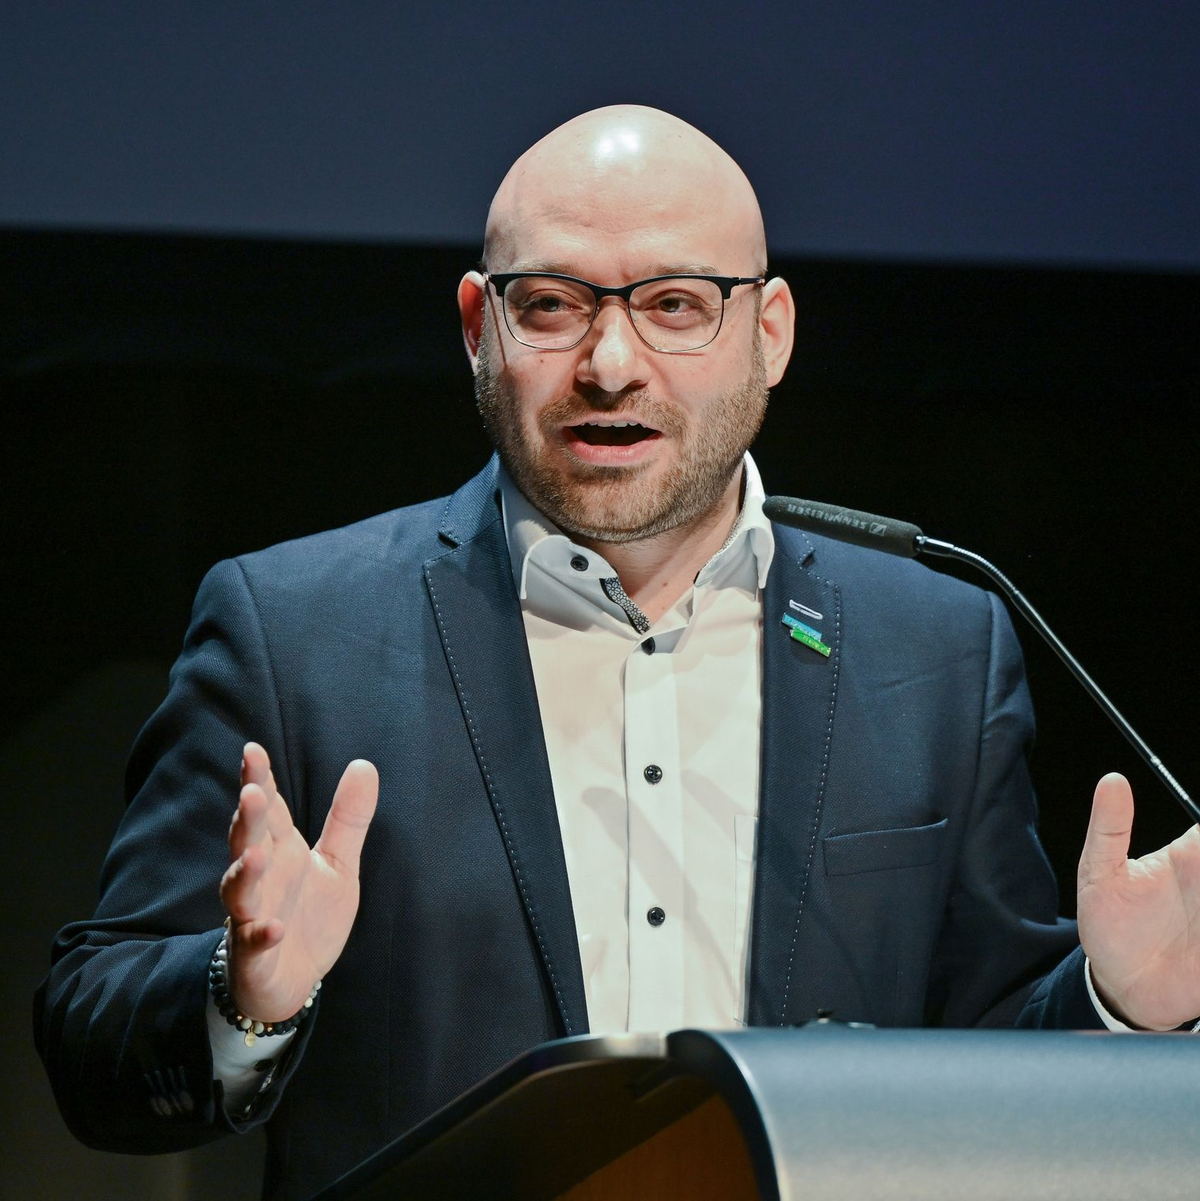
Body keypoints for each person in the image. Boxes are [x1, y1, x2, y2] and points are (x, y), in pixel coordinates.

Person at [36, 105, 1200, 1200]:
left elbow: (985, 1060)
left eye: (677, 304)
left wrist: (1117, 1009)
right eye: (551, 304)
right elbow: (92, 1044)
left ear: (771, 330)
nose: (609, 362)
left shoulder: (938, 642)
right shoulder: (294, 630)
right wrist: (244, 999)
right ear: (477, 328)